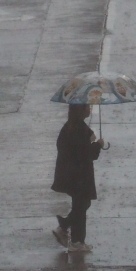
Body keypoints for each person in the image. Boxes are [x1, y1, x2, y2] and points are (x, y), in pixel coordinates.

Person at [51, 104, 104, 252]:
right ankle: (68, 231)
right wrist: (98, 145)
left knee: (81, 205)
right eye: (87, 107)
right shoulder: (79, 130)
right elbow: (88, 155)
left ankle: (76, 239)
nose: (89, 109)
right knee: (82, 205)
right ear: (80, 111)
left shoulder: (70, 127)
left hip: (71, 174)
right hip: (80, 175)